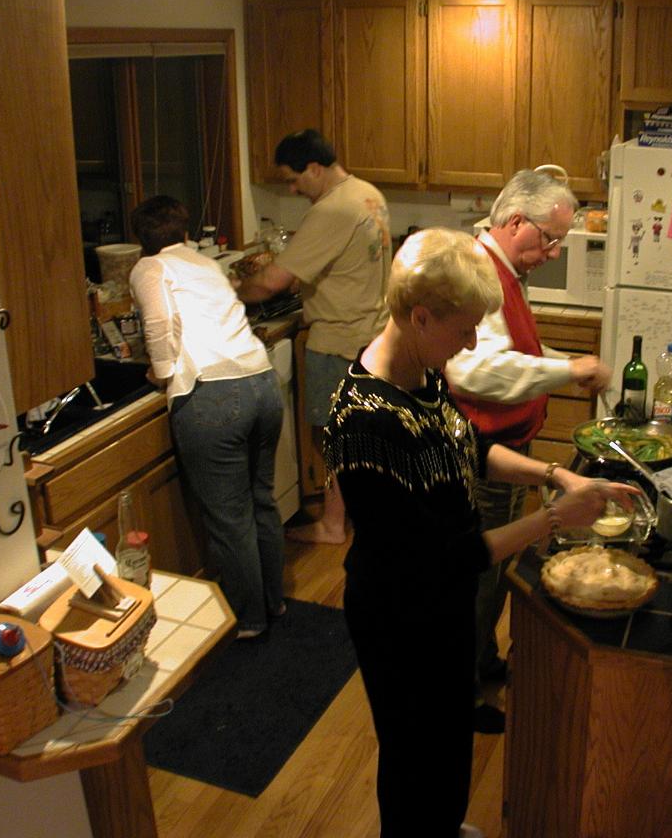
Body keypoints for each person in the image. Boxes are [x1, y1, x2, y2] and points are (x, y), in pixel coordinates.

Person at [325, 228, 639, 838]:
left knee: (446, 738)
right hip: (399, 616)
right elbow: (447, 558)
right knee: (412, 753)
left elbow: (470, 447)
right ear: (419, 316)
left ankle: (441, 826)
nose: (471, 343)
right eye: (464, 328)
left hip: (442, 606)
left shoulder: (422, 372)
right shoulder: (364, 421)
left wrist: (556, 478)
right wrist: (551, 519)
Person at [444, 169, 613, 731]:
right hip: (485, 450)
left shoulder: (505, 268)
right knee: (479, 573)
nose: (553, 251)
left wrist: (563, 360)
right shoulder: (477, 272)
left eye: (560, 241)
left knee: (496, 572)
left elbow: (519, 349)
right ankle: (460, 694)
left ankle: (481, 660)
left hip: (508, 446)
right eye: (548, 238)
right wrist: (567, 369)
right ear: (515, 222)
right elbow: (476, 370)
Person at [129, 196, 285, 639]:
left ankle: (248, 621)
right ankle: (273, 601)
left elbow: (159, 324)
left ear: (142, 242)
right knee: (261, 500)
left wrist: (161, 374)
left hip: (213, 396)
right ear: (183, 232)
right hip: (261, 381)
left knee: (230, 518)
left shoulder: (149, 268)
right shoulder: (205, 263)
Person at [237, 128, 391, 545]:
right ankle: (358, 513)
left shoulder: (331, 210)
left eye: (294, 178)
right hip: (370, 333)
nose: (292, 188)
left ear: (315, 168)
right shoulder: (367, 193)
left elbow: (271, 281)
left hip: (337, 339)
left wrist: (230, 296)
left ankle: (332, 524)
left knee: (334, 436)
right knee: (358, 434)